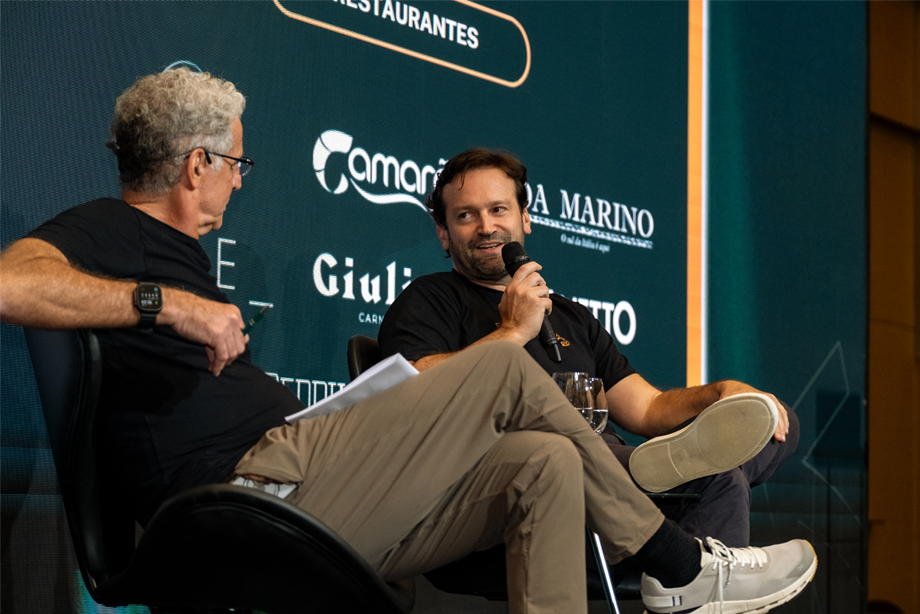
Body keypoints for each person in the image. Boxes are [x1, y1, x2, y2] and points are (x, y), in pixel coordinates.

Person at [0, 69, 815, 614]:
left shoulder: (172, 249)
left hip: (316, 483)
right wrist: (168, 305)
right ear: (196, 164)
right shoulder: (113, 230)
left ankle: (663, 534)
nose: (239, 181)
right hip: (249, 493)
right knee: (507, 372)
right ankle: (682, 568)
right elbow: (10, 282)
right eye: (237, 165)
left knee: (545, 460)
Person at [378, 148, 801, 548]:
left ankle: (670, 475)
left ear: (525, 218)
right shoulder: (429, 298)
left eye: (498, 209)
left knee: (777, 423)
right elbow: (413, 388)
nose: (486, 226)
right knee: (718, 478)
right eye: (466, 215)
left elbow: (647, 409)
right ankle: (678, 486)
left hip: (613, 468)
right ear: (444, 234)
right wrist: (513, 331)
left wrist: (718, 394)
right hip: (525, 478)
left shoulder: (572, 315)